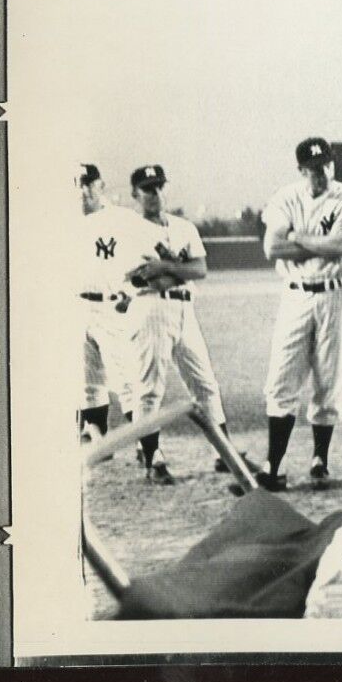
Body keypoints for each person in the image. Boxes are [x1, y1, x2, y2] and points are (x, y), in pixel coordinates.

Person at [254, 137, 342, 492]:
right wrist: (317, 245)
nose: (322, 173)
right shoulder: (286, 197)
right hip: (298, 295)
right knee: (281, 379)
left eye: (327, 165)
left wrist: (298, 238)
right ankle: (274, 466)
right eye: (314, 168)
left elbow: (341, 246)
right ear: (302, 170)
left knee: (330, 380)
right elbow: (273, 247)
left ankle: (320, 459)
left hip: (338, 296)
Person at [123, 164, 243, 485]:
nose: (155, 193)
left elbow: (201, 269)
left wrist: (164, 264)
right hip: (151, 308)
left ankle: (225, 453)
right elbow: (149, 279)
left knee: (205, 384)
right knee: (149, 389)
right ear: (135, 194)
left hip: (184, 310)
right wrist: (178, 267)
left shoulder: (183, 226)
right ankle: (153, 459)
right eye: (148, 188)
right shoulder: (130, 230)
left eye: (159, 186)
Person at [76, 164, 151, 446]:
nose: (82, 190)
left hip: (113, 307)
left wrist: (132, 291)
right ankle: (100, 444)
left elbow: (149, 257)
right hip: (78, 308)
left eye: (87, 183)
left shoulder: (121, 219)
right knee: (88, 384)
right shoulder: (62, 221)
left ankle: (150, 450)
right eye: (75, 183)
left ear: (100, 185)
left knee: (128, 381)